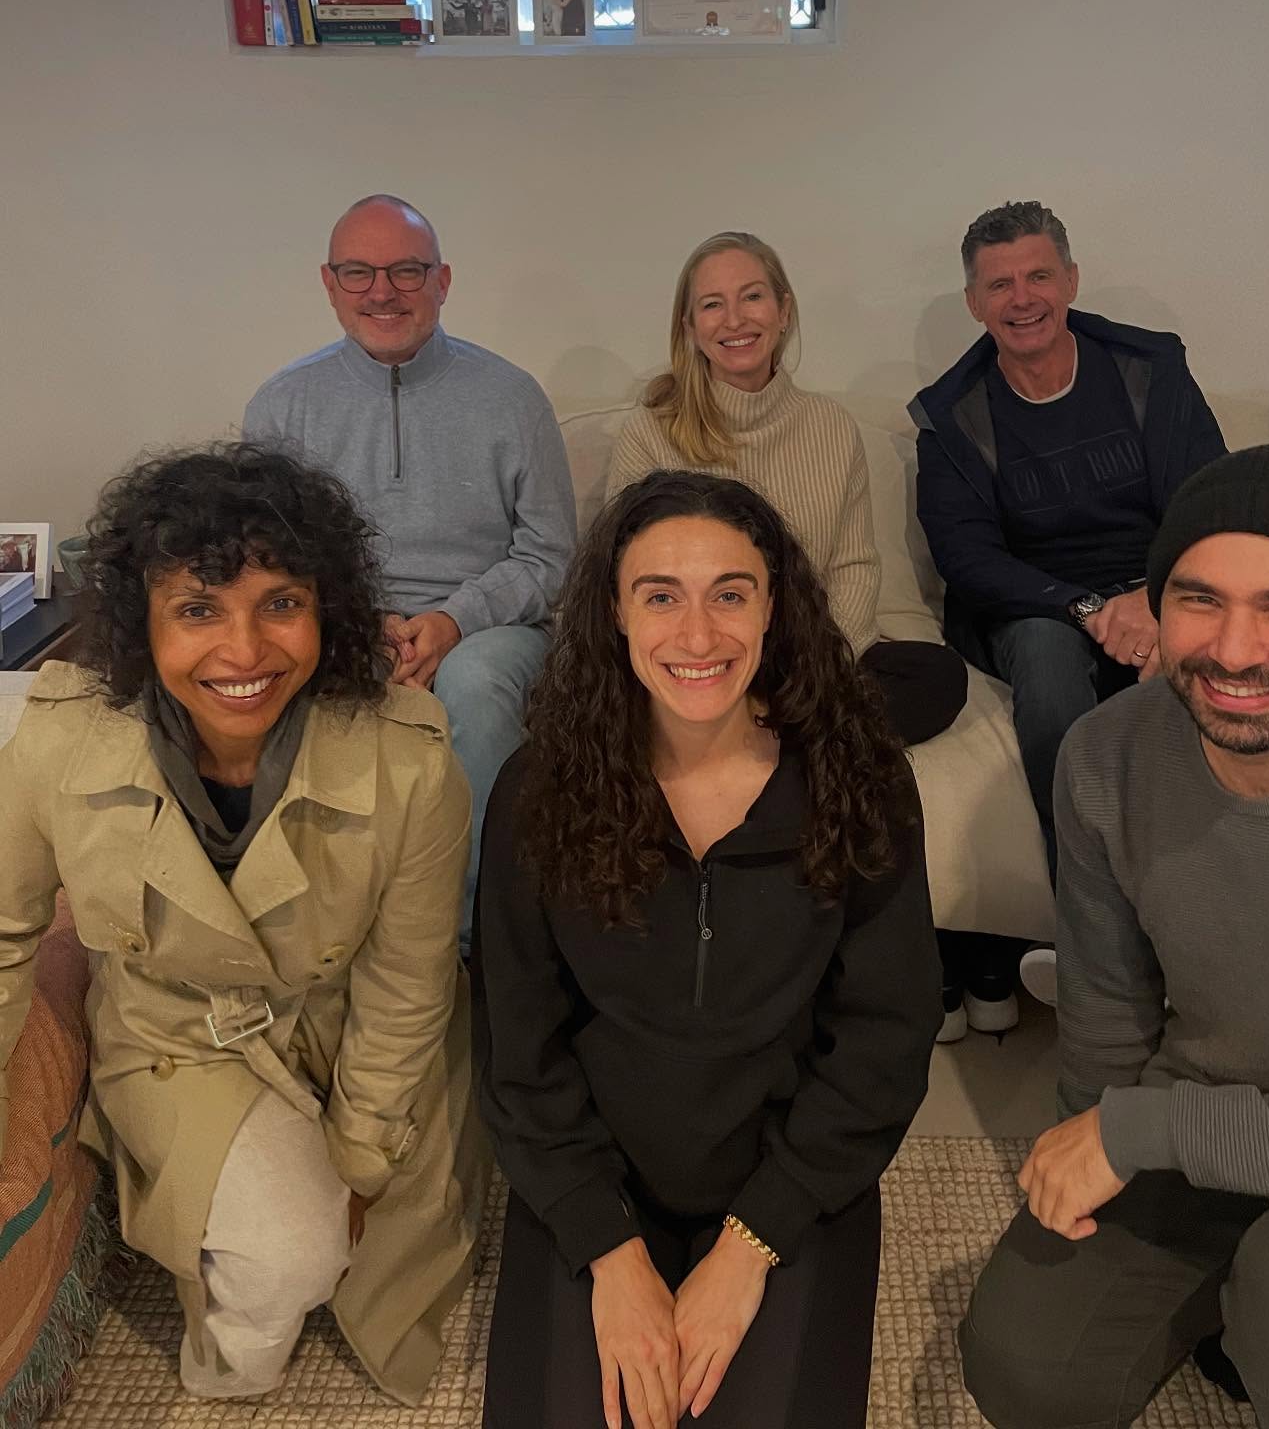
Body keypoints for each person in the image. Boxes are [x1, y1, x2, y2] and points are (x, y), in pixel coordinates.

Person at [960, 444, 1269, 1429]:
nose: (1232, 648)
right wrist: (1097, 1138)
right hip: (1210, 1118)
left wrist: (1150, 1132)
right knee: (1024, 1364)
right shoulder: (1108, 754)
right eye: (1198, 598)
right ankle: (1235, 1303)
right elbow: (1106, 1016)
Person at [0, 443, 487, 1403]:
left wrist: (359, 1154)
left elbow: (408, 981)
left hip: (351, 1025)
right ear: (143, 622)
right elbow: (4, 933)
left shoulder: (412, 762)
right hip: (179, 1034)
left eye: (281, 603)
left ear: (327, 611)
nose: (245, 651)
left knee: (387, 1258)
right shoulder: (57, 743)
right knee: (282, 1276)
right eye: (196, 610)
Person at [473, 470, 940, 1429]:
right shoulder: (539, 791)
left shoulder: (859, 782)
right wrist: (608, 1250)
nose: (698, 637)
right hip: (599, 1173)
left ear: (776, 608)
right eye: (661, 596)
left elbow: (886, 1040)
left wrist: (748, 1248)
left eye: (730, 593)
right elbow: (518, 1048)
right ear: (612, 613)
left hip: (790, 1176)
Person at [910, 199, 1224, 1008]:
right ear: (976, 304)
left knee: (1198, 671)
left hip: (1159, 586)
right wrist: (1087, 607)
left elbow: (1208, 499)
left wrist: (1155, 600)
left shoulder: (1151, 369)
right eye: (1000, 284)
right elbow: (966, 557)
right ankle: (1089, 932)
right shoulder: (950, 414)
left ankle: (1204, 924)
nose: (1023, 299)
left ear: (1071, 280)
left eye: (1039, 275)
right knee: (1050, 677)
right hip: (1032, 606)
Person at [244, 194, 576, 951]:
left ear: (443, 280)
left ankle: (465, 945)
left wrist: (452, 621)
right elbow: (267, 565)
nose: (382, 291)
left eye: (406, 270)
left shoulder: (512, 398)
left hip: (487, 631)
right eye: (359, 272)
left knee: (476, 685)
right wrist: (358, 630)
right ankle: (295, 937)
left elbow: (552, 555)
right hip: (334, 625)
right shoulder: (281, 406)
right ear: (329, 285)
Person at [607, 231, 968, 750]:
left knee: (936, 674)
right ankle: (784, 741)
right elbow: (624, 579)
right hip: (697, 655)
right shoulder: (651, 432)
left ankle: (761, 739)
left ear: (783, 310)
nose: (735, 320)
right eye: (713, 304)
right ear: (689, 327)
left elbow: (854, 567)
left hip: (805, 660)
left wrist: (818, 669)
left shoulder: (831, 427)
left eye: (752, 296)